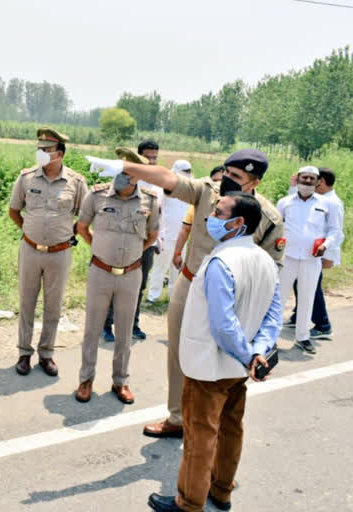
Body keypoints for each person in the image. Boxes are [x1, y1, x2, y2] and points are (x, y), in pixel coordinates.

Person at [87, 148, 283, 439]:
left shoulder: (267, 218)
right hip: (190, 286)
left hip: (233, 300)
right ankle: (177, 417)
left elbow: (272, 276)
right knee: (179, 354)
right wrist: (126, 166)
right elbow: (168, 178)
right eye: (226, 172)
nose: (226, 180)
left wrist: (265, 338)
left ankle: (214, 423)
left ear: (254, 182)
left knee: (224, 359)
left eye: (236, 177)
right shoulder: (208, 193)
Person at [147, 192, 282, 512]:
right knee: (231, 429)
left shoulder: (222, 262)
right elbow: (273, 316)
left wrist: (248, 356)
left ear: (237, 223)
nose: (211, 219)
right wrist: (257, 354)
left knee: (200, 437)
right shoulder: (265, 260)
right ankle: (221, 492)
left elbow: (223, 324)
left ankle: (189, 502)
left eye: (219, 213)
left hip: (208, 367)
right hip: (238, 371)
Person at [75, 148, 160, 404]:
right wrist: (99, 250)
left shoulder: (150, 200)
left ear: (138, 176)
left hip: (131, 275)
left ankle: (120, 381)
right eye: (121, 171)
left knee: (124, 330)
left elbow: (152, 236)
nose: (123, 177)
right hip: (100, 271)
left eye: (129, 173)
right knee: (92, 328)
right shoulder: (97, 194)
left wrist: (133, 256)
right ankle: (86, 379)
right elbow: (81, 227)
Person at [9, 127, 88, 377]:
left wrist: (67, 235)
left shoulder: (76, 182)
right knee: (27, 301)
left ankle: (46, 354)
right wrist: (30, 233)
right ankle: (24, 353)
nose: (41, 153)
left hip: (60, 253)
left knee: (53, 305)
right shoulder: (26, 178)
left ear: (60, 153)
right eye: (39, 148)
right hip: (30, 250)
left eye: (47, 150)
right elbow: (14, 211)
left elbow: (84, 217)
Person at [276, 166, 342, 354]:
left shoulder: (327, 204)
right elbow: (276, 226)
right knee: (279, 298)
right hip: (287, 257)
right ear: (297, 179)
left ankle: (303, 337)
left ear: (317, 181)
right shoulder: (285, 202)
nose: (307, 181)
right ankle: (270, 338)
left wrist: (326, 246)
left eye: (311, 179)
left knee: (307, 297)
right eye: (304, 178)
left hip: (311, 260)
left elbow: (335, 230)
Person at [102, 140, 159, 342]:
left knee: (138, 287)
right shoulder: (123, 179)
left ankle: (132, 325)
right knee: (113, 286)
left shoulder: (158, 185)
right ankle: (106, 325)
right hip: (119, 244)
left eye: (155, 157)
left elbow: (159, 220)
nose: (152, 161)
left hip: (145, 246)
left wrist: (147, 246)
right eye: (148, 157)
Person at [147, 160, 192, 303]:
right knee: (160, 267)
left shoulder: (191, 190)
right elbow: (157, 210)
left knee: (178, 269)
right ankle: (152, 297)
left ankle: (174, 298)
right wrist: (158, 235)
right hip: (166, 236)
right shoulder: (163, 188)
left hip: (183, 237)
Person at [172, 167, 223, 271]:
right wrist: (177, 253)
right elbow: (185, 229)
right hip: (196, 262)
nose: (218, 184)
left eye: (222, 181)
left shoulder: (235, 207)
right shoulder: (199, 204)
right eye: (215, 181)